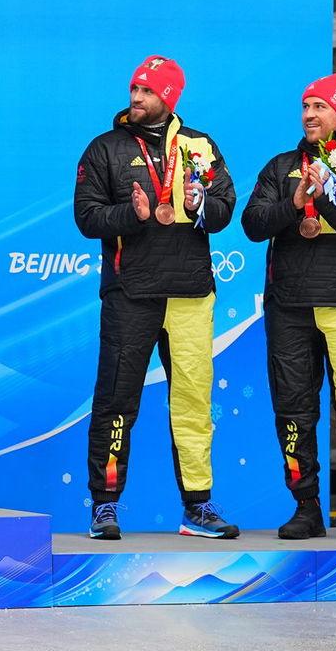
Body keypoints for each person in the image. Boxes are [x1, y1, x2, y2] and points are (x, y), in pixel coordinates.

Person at [73, 56, 238, 540]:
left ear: (168, 96)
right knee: (116, 401)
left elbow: (226, 208)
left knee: (193, 403)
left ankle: (198, 507)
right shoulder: (105, 148)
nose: (136, 97)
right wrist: (133, 214)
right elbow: (86, 217)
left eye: (146, 90)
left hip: (190, 293)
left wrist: (199, 204)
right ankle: (105, 505)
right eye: (134, 88)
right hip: (131, 293)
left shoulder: (200, 146)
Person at [241, 73, 336, 543]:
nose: (309, 114)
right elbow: (252, 224)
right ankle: (305, 505)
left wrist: (325, 198)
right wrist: (294, 202)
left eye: (320, 107)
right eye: (306, 106)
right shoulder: (281, 167)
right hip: (289, 306)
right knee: (293, 410)